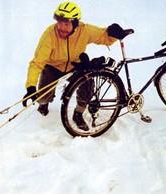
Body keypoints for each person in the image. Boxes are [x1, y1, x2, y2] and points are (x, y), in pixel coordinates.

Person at [22, 1, 126, 131]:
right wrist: (31, 86)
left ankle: (78, 113)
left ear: (75, 23)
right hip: (53, 66)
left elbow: (103, 36)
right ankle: (45, 103)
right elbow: (37, 63)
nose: (61, 27)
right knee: (42, 98)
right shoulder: (50, 35)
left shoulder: (84, 30)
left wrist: (112, 32)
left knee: (88, 87)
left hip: (74, 66)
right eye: (59, 23)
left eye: (66, 24)